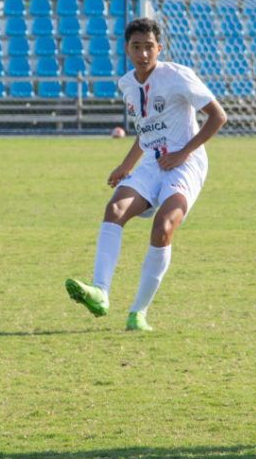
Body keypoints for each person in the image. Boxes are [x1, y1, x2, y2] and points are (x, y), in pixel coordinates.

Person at [65, 18, 227, 332]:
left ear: (159, 48)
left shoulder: (178, 76)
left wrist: (184, 152)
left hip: (186, 164)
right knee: (114, 209)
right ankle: (100, 292)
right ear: (126, 49)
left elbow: (218, 116)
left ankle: (138, 312)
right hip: (152, 164)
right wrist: (127, 164)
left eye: (149, 47)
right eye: (136, 47)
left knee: (163, 225)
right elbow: (146, 129)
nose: (143, 54)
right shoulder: (127, 84)